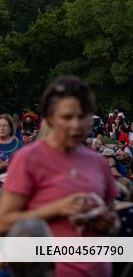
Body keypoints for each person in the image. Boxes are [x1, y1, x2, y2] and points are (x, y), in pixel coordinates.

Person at [0, 76, 120, 277]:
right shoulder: (28, 159)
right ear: (50, 118)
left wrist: (107, 221)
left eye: (83, 116)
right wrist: (58, 208)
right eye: (67, 117)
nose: (76, 125)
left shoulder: (98, 162)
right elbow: (3, 222)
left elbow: (113, 217)